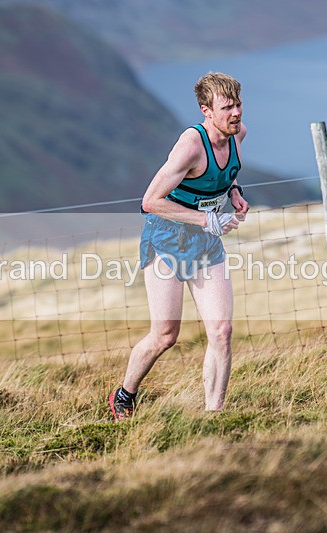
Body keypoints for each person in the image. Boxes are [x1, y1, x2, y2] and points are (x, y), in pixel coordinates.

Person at [108, 72, 249, 420]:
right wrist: (206, 219)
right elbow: (149, 201)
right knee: (165, 335)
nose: (236, 114)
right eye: (226, 107)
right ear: (206, 110)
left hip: (206, 246)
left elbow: (225, 175)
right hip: (166, 240)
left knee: (221, 330)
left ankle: (213, 415)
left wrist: (234, 193)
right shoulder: (190, 145)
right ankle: (125, 395)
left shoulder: (238, 135)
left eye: (238, 104)